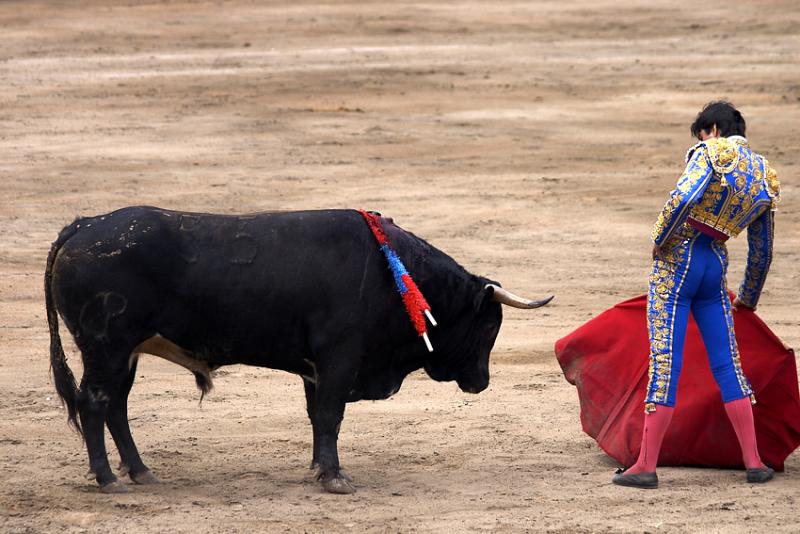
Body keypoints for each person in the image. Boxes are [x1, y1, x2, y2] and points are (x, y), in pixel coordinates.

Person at [612, 101, 782, 489]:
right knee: (728, 364)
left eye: (702, 133)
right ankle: (754, 461)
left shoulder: (711, 152)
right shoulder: (764, 175)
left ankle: (646, 465)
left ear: (713, 130)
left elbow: (684, 197)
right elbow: (762, 250)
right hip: (714, 267)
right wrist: (748, 297)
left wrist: (660, 237)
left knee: (665, 361)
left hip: (679, 263)